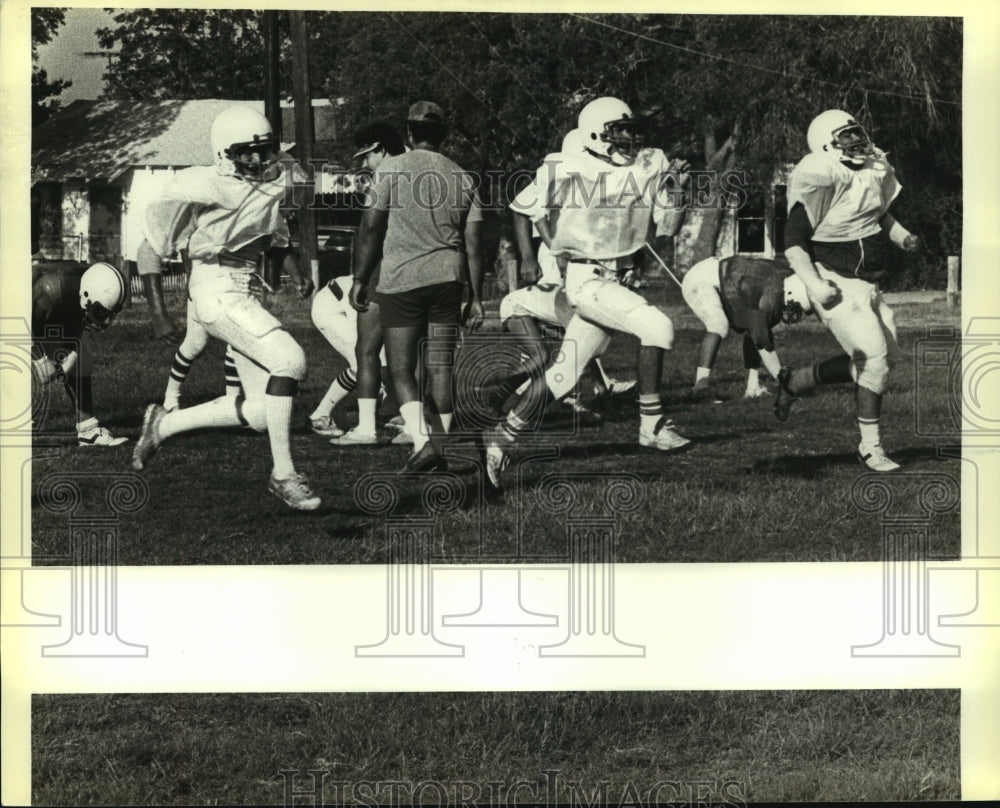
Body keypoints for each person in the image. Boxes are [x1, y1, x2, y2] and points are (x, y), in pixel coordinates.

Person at [482, 97, 691, 490]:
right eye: (620, 129)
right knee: (658, 327)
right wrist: (538, 251)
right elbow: (524, 204)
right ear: (596, 133)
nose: (629, 136)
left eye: (630, 128)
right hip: (587, 278)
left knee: (562, 374)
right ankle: (652, 423)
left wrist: (677, 193)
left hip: (620, 278)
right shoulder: (568, 163)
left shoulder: (649, 163)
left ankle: (497, 439)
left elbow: (669, 229)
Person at [131, 105, 321, 511]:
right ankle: (284, 474)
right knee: (291, 360)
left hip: (243, 287)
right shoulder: (204, 184)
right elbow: (150, 250)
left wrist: (297, 269)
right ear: (223, 153)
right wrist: (158, 312)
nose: (258, 159)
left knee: (261, 413)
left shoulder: (276, 176)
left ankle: (164, 424)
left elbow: (274, 233)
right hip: (213, 285)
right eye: (246, 152)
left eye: (264, 149)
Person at [775, 109, 919, 472]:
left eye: (857, 132)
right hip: (834, 279)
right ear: (828, 145)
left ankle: (796, 380)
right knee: (873, 362)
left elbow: (877, 212)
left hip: (867, 282)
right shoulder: (821, 174)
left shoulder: (872, 168)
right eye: (846, 136)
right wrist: (814, 284)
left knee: (886, 361)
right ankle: (870, 447)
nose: (857, 140)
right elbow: (792, 241)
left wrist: (901, 236)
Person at [350, 101, 485, 472]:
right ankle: (440, 447)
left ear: (409, 133)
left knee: (401, 368)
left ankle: (424, 443)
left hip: (401, 278)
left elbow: (370, 227)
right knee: (441, 367)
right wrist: (476, 295)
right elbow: (474, 245)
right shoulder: (463, 176)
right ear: (443, 136)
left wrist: (360, 278)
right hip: (448, 277)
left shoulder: (392, 168)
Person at [309, 122, 406, 446]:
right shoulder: (393, 178)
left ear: (381, 148)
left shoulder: (397, 175)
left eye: (367, 156)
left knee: (398, 359)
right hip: (336, 300)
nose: (364, 164)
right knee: (369, 360)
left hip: (372, 290)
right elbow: (369, 234)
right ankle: (321, 414)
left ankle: (392, 416)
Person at [682, 255, 812, 400]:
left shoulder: (784, 281)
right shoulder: (768, 293)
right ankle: (700, 387)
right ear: (790, 293)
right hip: (701, 278)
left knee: (754, 328)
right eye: (794, 308)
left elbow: (756, 332)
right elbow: (762, 342)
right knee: (718, 325)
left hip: (724, 275)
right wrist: (782, 379)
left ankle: (752, 386)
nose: (794, 314)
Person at [31, 259, 129, 446]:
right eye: (102, 312)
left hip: (43, 306)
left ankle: (88, 430)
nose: (106, 320)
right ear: (86, 294)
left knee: (81, 360)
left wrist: (65, 361)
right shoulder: (51, 289)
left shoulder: (88, 284)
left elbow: (74, 335)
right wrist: (40, 359)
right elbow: (19, 323)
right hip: (15, 306)